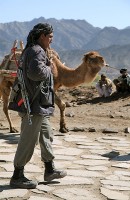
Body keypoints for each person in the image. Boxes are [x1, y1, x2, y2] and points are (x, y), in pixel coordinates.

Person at [9, 23, 67, 189]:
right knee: (28, 140)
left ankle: (49, 169)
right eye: (50, 37)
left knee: (46, 133)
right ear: (42, 35)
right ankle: (17, 176)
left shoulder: (34, 50)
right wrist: (49, 67)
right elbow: (35, 73)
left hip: (39, 106)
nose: (51, 41)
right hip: (33, 106)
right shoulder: (36, 51)